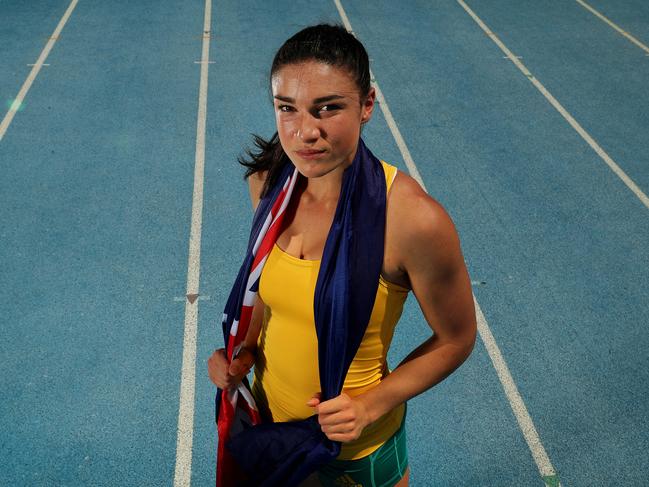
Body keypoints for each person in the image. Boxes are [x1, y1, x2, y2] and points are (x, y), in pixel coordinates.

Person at [208, 24, 477, 487]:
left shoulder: (412, 220)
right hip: (272, 426)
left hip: (356, 447)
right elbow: (265, 291)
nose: (304, 132)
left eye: (327, 108)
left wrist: (369, 406)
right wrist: (242, 351)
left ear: (367, 104)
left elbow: (457, 338)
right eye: (286, 109)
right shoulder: (270, 184)